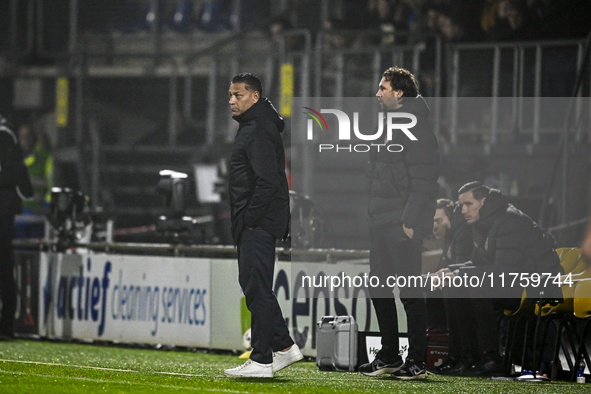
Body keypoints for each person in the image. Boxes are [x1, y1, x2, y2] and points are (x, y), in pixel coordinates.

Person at [360, 67, 439, 380]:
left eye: (383, 88)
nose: (378, 93)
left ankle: (417, 360)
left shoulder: (416, 128)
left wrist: (409, 222)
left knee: (409, 292)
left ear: (399, 93)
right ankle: (390, 355)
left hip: (400, 223)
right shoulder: (388, 125)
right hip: (381, 220)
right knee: (378, 286)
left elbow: (425, 181)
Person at [223, 73, 302, 378]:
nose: (232, 100)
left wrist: (251, 219)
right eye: (230, 95)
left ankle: (261, 359)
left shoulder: (256, 130)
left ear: (254, 97)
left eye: (238, 95)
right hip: (256, 220)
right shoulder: (255, 127)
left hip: (258, 222)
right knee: (255, 286)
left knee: (257, 287)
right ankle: (283, 347)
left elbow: (268, 182)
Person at [440, 181, 563, 375]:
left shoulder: (510, 220)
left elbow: (504, 272)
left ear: (484, 201)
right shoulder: (483, 222)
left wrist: (460, 274)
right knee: (453, 287)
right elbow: (478, 264)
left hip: (540, 287)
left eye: (468, 204)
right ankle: (466, 357)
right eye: (461, 205)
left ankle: (491, 359)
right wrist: (450, 271)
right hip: (517, 282)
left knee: (476, 287)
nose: (463, 210)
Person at [432, 199, 479, 376]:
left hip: (476, 287)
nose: (434, 226)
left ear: (450, 218)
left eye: (438, 221)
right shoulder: (450, 237)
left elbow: (461, 270)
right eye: (432, 222)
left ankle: (463, 357)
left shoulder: (463, 233)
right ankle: (451, 356)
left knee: (453, 292)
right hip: (464, 286)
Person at [0, 115, 34, 339]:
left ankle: (6, 325)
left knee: (3, 266)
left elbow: (12, 174)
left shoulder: (4, 135)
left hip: (3, 210)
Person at [15, 124, 53, 239]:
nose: (25, 139)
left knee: (36, 251)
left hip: (38, 215)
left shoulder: (44, 158)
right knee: (18, 250)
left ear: (34, 137)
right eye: (22, 136)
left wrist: (46, 207)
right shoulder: (13, 158)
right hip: (17, 215)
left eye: (28, 136)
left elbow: (52, 185)